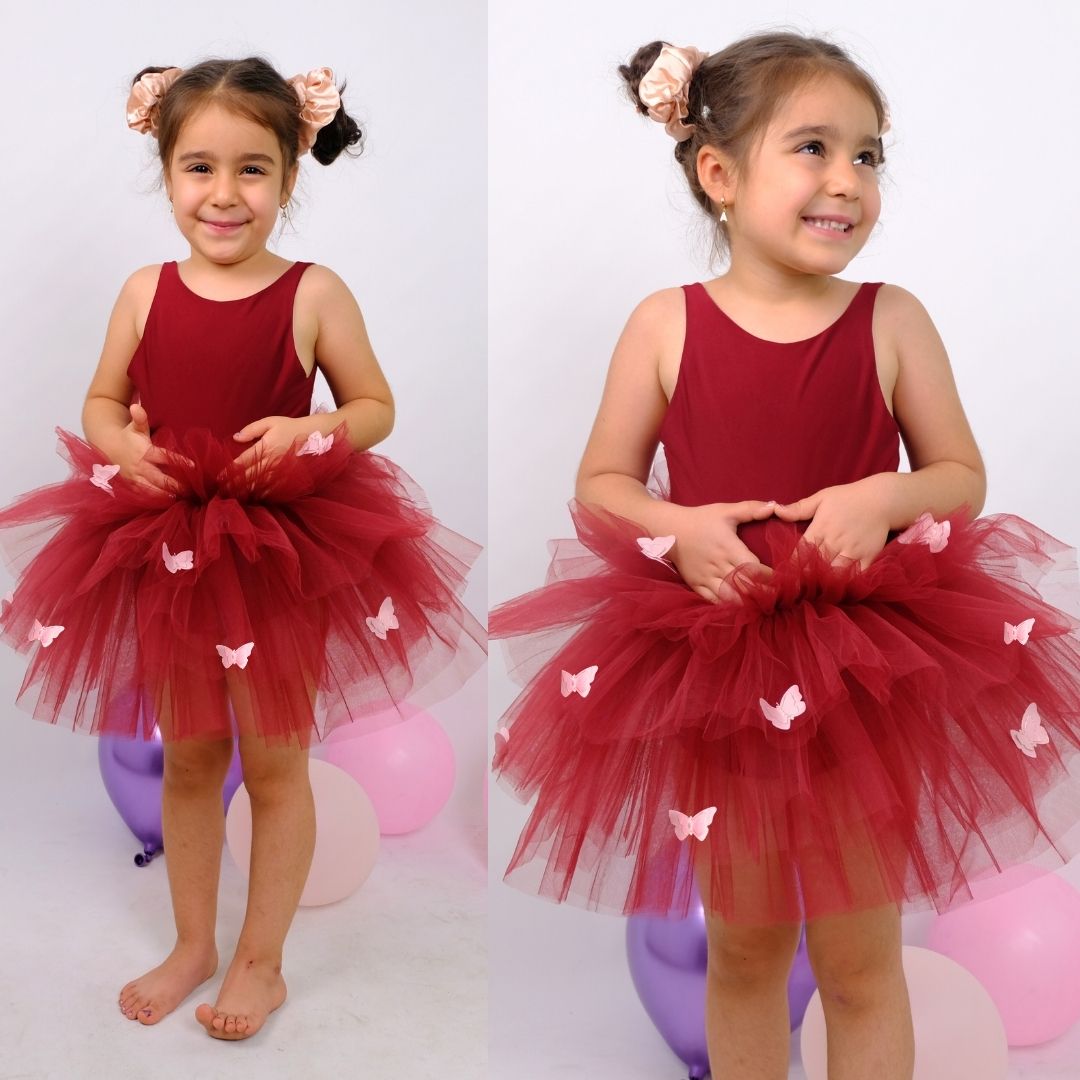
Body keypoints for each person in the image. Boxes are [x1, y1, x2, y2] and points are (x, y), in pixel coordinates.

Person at [489, 32, 1080, 1079]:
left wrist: (886, 494)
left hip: (866, 670)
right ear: (718, 174)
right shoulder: (665, 324)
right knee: (747, 949)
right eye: (813, 147)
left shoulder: (890, 318)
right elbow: (603, 485)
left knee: (860, 961)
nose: (847, 181)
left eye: (868, 155)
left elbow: (960, 474)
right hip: (716, 668)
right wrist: (681, 530)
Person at [0, 57, 485, 1041]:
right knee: (187, 758)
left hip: (279, 549)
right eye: (200, 168)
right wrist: (122, 442)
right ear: (167, 172)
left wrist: (320, 432)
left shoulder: (313, 293)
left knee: (274, 764)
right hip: (171, 543)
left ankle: (262, 964)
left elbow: (374, 406)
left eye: (253, 170)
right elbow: (102, 397)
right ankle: (192, 943)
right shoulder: (145, 290)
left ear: (291, 177)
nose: (225, 195)